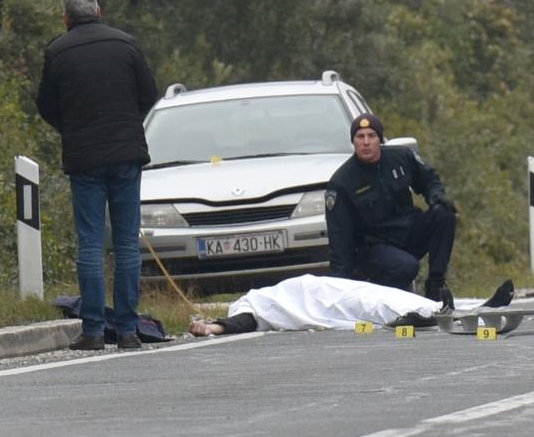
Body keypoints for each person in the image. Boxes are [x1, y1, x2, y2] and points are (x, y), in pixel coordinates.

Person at [35, 0, 160, 351]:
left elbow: (46, 105)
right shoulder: (126, 44)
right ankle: (126, 330)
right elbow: (148, 94)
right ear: (99, 11)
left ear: (66, 18)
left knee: (89, 243)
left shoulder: (57, 52)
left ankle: (91, 330)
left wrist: (72, 129)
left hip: (84, 157)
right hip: (125, 156)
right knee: (125, 243)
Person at [324, 113, 459, 308]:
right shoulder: (341, 182)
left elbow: (429, 179)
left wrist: (436, 198)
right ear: (353, 142)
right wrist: (342, 293)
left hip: (408, 232)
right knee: (406, 267)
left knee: (444, 213)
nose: (366, 142)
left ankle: (435, 288)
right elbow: (340, 242)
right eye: (360, 137)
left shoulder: (401, 157)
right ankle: (388, 301)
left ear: (380, 139)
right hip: (376, 247)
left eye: (371, 136)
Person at [187, 276, 514, 336]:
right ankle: (438, 311)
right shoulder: (252, 308)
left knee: (377, 299)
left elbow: (241, 321)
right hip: (326, 300)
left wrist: (213, 325)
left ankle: (438, 309)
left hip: (324, 289)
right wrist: (213, 327)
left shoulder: (253, 301)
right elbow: (241, 324)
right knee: (371, 305)